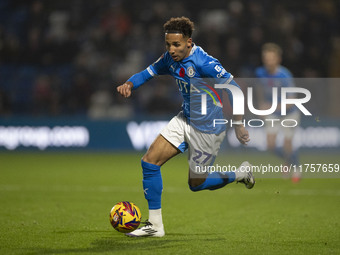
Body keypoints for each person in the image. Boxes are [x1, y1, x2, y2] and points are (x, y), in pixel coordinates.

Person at [117, 17, 255, 237]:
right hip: (185, 119)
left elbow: (235, 89)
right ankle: (155, 226)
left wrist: (238, 124)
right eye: (168, 45)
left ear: (189, 42)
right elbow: (147, 73)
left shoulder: (204, 62)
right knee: (149, 161)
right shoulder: (168, 59)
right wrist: (130, 84)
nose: (171, 50)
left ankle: (240, 174)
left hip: (209, 129)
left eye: (176, 45)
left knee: (196, 183)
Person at [255, 43, 301, 182]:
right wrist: (261, 104)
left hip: (289, 112)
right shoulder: (260, 73)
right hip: (274, 112)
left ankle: (295, 168)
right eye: (266, 58)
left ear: (278, 59)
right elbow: (259, 90)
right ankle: (289, 161)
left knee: (288, 143)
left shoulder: (285, 75)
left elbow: (291, 100)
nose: (268, 61)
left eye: (271, 58)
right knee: (270, 145)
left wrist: (271, 107)